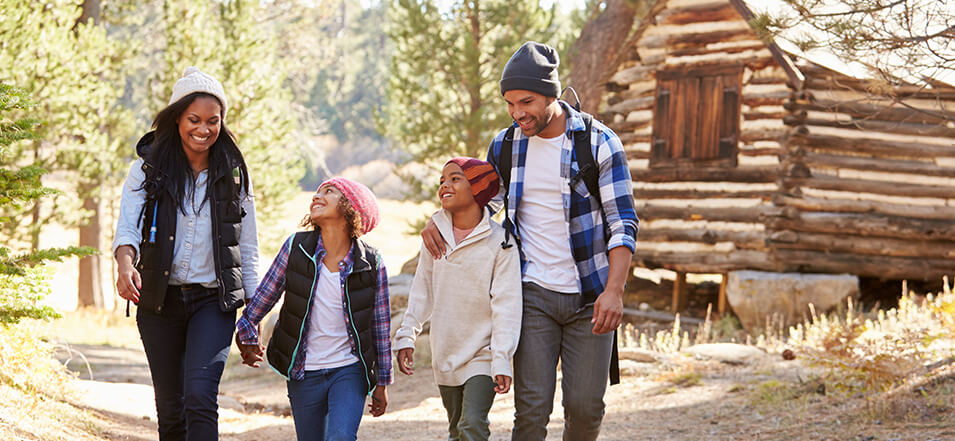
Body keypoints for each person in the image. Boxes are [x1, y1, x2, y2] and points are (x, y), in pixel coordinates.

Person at [421, 41, 639, 441]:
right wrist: (439, 221)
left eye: (527, 102)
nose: (517, 113)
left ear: (552, 95)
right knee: (532, 411)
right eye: (509, 103)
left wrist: (615, 290)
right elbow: (480, 204)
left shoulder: (599, 142)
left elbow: (622, 221)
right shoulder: (505, 146)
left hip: (590, 296)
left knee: (585, 409)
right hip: (532, 294)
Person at [113, 66, 259, 441]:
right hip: (159, 301)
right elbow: (128, 228)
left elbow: (247, 248)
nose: (203, 129)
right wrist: (125, 265)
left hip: (213, 301)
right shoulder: (147, 170)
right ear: (177, 118)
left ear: (222, 121)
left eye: (213, 121)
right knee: (171, 408)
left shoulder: (235, 174)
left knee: (200, 397)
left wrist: (253, 315)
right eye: (194, 119)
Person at [234, 177, 391, 441]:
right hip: (303, 371)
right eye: (317, 192)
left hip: (349, 369)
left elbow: (380, 326)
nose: (317, 196)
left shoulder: (371, 262)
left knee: (341, 437)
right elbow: (265, 296)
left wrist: (382, 383)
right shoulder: (296, 248)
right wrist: (247, 332)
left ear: (351, 208)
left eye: (329, 191)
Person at [394, 157, 522, 441]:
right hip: (446, 353)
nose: (444, 186)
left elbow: (507, 306)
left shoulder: (501, 244)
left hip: (483, 355)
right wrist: (406, 335)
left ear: (478, 188)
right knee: (457, 430)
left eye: (455, 178)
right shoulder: (434, 239)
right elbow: (422, 291)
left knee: (472, 425)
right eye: (442, 181)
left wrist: (501, 359)